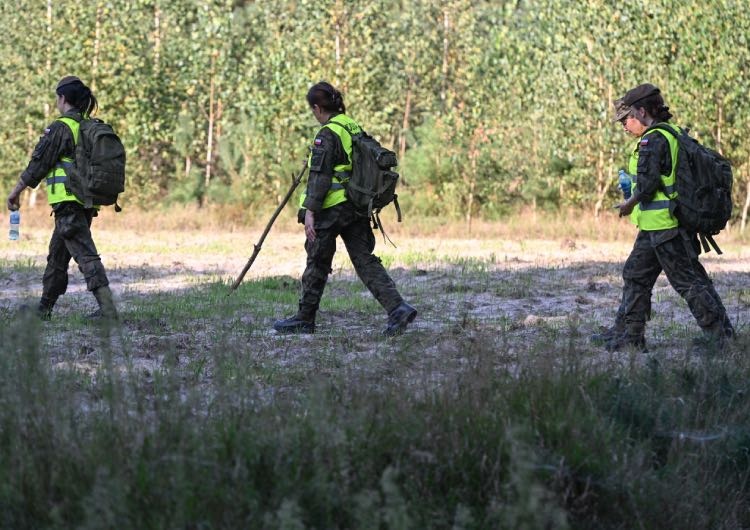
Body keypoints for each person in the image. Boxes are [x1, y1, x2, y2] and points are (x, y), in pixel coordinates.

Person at [592, 83, 733, 352]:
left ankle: (719, 339)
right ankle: (629, 336)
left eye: (627, 118)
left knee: (688, 283)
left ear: (642, 112)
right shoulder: (672, 133)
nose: (624, 126)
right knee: (636, 275)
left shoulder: (652, 140)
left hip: (666, 228)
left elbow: (647, 186)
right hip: (657, 227)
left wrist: (628, 204)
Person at [274, 81, 416, 336]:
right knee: (365, 260)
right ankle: (398, 308)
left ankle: (305, 318)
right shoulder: (350, 126)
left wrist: (309, 211)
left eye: (313, 110)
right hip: (356, 206)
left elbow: (320, 177)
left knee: (317, 261)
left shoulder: (327, 133)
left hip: (331, 207)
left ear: (318, 108)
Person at [6, 76, 118, 320]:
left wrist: (16, 192)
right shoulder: (85, 126)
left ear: (63, 98)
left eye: (57, 98)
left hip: (69, 202)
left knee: (84, 253)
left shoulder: (62, 127)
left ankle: (108, 310)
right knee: (57, 255)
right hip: (82, 202)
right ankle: (44, 308)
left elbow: (39, 164)